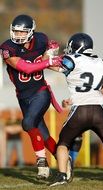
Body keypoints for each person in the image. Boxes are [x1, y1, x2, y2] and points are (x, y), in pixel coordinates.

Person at [49, 32, 103, 190]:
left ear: (75, 46)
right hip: (98, 110)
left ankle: (63, 175)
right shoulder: (100, 62)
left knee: (63, 143)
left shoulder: (72, 59)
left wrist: (48, 56)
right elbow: (100, 85)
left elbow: (53, 66)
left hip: (80, 109)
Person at [0, 14, 62, 179]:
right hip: (23, 96)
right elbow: (26, 68)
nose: (18, 35)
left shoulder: (41, 40)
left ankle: (42, 162)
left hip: (40, 91)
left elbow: (42, 61)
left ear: (31, 32)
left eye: (22, 32)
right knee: (44, 134)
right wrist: (48, 61)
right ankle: (64, 161)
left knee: (27, 123)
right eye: (16, 31)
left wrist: (50, 54)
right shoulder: (7, 48)